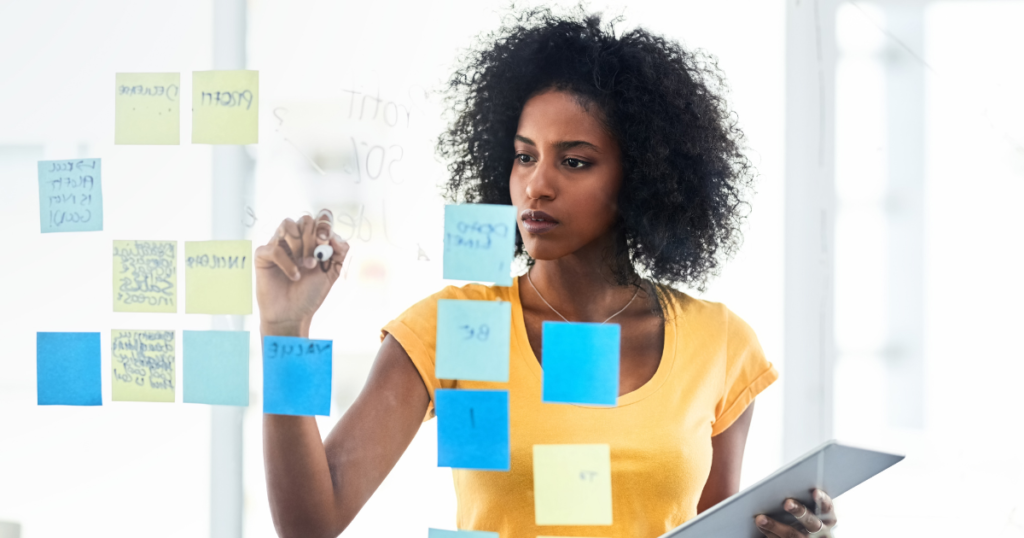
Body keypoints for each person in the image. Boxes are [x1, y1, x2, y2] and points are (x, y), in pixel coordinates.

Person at [256, 8, 838, 538]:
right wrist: (286, 330)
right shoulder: (458, 325)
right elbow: (310, 524)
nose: (537, 184)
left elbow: (710, 532)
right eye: (524, 155)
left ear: (640, 178)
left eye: (575, 161)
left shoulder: (720, 343)